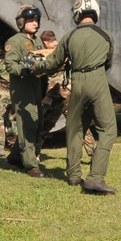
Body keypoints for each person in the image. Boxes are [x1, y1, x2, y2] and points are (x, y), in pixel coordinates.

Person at [32, 0, 118, 194]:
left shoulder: (68, 37)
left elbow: (53, 63)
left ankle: (73, 175)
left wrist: (36, 69)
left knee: (74, 129)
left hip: (76, 82)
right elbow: (108, 63)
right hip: (97, 80)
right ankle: (95, 177)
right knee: (108, 130)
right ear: (95, 13)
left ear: (77, 15)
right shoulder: (106, 36)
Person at [3, 4, 47, 178]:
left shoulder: (37, 41)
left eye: (36, 20)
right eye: (31, 20)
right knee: (27, 124)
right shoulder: (14, 41)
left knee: (38, 125)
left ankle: (15, 157)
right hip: (22, 90)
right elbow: (10, 65)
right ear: (22, 22)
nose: (35, 23)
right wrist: (25, 68)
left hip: (36, 88)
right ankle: (30, 165)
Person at [40, 29, 96, 157]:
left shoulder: (50, 53)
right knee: (78, 122)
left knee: (45, 123)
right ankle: (92, 150)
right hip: (69, 91)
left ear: (45, 43)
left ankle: (34, 153)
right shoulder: (65, 49)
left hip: (57, 94)